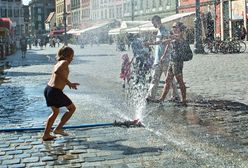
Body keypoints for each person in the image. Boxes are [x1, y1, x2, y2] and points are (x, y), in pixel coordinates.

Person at [43, 46, 80, 141]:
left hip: (49, 89)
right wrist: (69, 83)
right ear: (68, 55)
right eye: (72, 56)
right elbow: (57, 71)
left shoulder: (59, 62)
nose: (72, 58)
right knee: (72, 108)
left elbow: (58, 73)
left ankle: (46, 134)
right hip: (55, 91)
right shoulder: (65, 62)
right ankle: (58, 129)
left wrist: (68, 83)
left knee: (55, 112)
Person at [145, 15, 179, 102]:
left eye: (153, 23)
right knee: (154, 79)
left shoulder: (165, 30)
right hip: (158, 60)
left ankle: (175, 96)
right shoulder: (159, 31)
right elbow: (160, 42)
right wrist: (151, 43)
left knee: (169, 79)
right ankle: (150, 96)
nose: (153, 25)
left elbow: (167, 42)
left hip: (165, 59)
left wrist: (163, 55)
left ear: (157, 21)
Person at [154, 22, 188, 106]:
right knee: (167, 80)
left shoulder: (180, 36)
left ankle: (184, 100)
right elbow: (166, 43)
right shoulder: (173, 37)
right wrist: (153, 42)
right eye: (172, 27)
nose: (173, 28)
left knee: (180, 81)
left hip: (177, 62)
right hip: (171, 61)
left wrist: (165, 37)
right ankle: (161, 99)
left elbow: (173, 38)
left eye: (174, 27)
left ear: (179, 28)